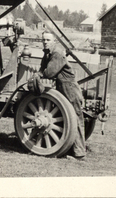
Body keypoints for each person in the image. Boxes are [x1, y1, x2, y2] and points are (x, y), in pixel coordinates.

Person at [33, 31, 86, 159]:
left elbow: (49, 72)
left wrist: (38, 75)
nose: (45, 42)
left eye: (48, 40)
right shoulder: (47, 54)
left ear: (54, 41)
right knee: (68, 118)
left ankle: (79, 153)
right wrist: (39, 73)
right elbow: (42, 69)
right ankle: (68, 147)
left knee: (76, 118)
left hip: (70, 88)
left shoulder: (56, 53)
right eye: (43, 40)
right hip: (62, 87)